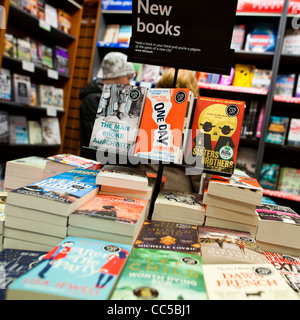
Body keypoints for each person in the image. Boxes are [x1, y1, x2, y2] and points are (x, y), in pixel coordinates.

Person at [144, 68, 202, 193]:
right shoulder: (196, 122)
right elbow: (196, 175)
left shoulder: (146, 111)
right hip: (176, 190)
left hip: (141, 181)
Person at [79, 52, 135, 157]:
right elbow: (95, 138)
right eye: (128, 77)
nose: (129, 83)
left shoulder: (113, 97)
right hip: (96, 161)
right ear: (116, 74)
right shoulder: (93, 99)